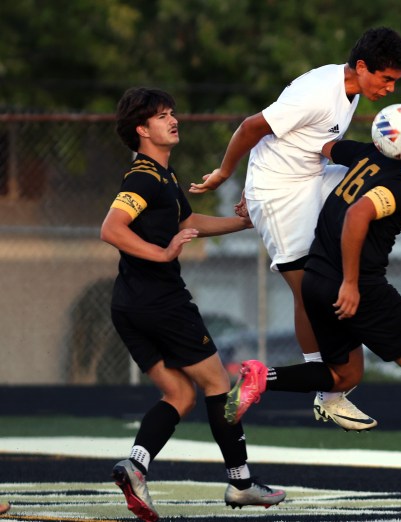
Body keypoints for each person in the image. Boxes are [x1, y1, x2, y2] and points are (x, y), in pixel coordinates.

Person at [189, 27, 401, 432]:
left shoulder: (350, 90)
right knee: (305, 285)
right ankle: (327, 394)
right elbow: (251, 127)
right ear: (363, 67)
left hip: (310, 173)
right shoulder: (318, 91)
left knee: (388, 187)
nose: (389, 89)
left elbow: (312, 143)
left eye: (395, 82)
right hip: (279, 191)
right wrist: (226, 175)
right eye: (386, 79)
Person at [223, 112, 401, 501]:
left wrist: (262, 183)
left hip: (314, 280)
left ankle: (262, 377)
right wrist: (351, 283)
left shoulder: (365, 154)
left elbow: (325, 146)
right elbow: (360, 214)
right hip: (358, 288)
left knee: (342, 375)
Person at [100, 87, 285, 522]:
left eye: (172, 112)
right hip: (160, 300)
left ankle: (136, 465)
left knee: (179, 392)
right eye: (162, 116)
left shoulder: (163, 177)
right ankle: (241, 484)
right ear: (141, 130)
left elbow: (189, 223)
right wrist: (163, 254)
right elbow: (111, 228)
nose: (173, 119)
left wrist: (245, 221)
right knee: (219, 383)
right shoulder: (143, 177)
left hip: (129, 303)